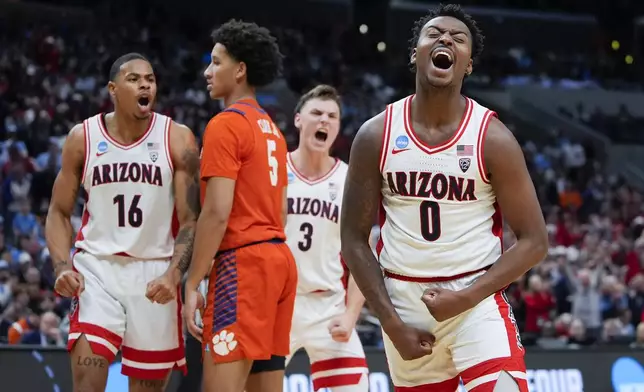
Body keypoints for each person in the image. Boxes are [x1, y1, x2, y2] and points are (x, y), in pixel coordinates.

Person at [340, 4, 548, 392]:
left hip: (475, 300)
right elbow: (352, 238)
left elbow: (535, 241)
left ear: (468, 65)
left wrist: (466, 297)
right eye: (434, 34)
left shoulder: (493, 138)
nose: (446, 39)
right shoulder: (375, 135)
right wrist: (388, 321)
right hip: (403, 307)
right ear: (414, 53)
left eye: (459, 37)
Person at [45, 52, 200, 392]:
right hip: (96, 271)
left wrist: (174, 273)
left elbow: (191, 220)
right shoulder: (81, 138)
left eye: (151, 78)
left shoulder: (177, 138)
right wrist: (60, 267)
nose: (145, 84)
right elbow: (58, 211)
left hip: (155, 274)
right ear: (113, 89)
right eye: (134, 79)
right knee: (87, 381)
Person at [183, 20, 296, 392]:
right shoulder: (272, 130)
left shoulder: (225, 124)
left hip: (243, 266)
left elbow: (216, 211)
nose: (207, 71)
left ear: (240, 69)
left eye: (216, 62)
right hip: (278, 264)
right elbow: (280, 212)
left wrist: (193, 281)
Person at [285, 85, 368, 391]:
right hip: (279, 304)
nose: (324, 121)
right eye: (316, 113)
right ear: (298, 120)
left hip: (328, 307)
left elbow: (361, 255)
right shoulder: (275, 172)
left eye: (332, 116)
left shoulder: (349, 181)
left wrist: (350, 315)